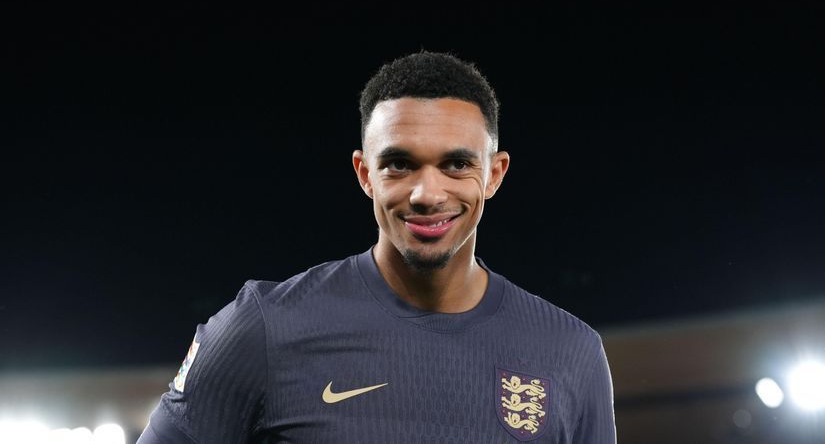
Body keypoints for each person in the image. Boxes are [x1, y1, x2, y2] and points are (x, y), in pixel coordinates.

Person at [137, 51, 616, 443]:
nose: (427, 194)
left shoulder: (570, 352)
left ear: (494, 174)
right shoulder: (262, 329)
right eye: (400, 164)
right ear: (365, 174)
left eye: (455, 165)